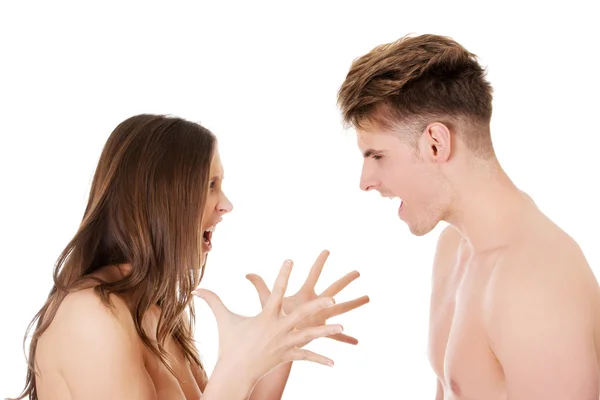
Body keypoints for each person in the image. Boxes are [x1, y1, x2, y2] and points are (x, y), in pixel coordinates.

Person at [10, 114, 369, 400]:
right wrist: (239, 367)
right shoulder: (91, 316)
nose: (226, 204)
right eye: (210, 185)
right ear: (161, 198)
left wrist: (279, 337)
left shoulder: (157, 310)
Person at [336, 33, 600, 399]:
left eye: (377, 156)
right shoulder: (454, 248)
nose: (366, 182)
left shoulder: (535, 284)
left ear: (435, 144)